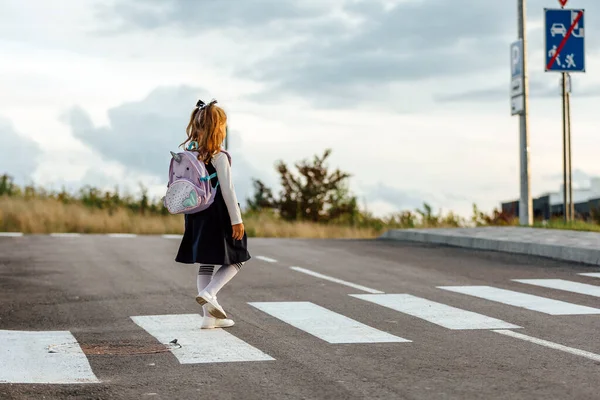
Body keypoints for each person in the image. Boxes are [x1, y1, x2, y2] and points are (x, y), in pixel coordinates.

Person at [175, 98, 251, 329]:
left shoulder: (188, 154)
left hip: (196, 214)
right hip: (218, 214)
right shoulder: (219, 156)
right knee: (238, 258)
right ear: (217, 128)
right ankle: (210, 293)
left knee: (206, 262)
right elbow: (228, 190)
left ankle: (209, 318)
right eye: (223, 125)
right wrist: (237, 221)